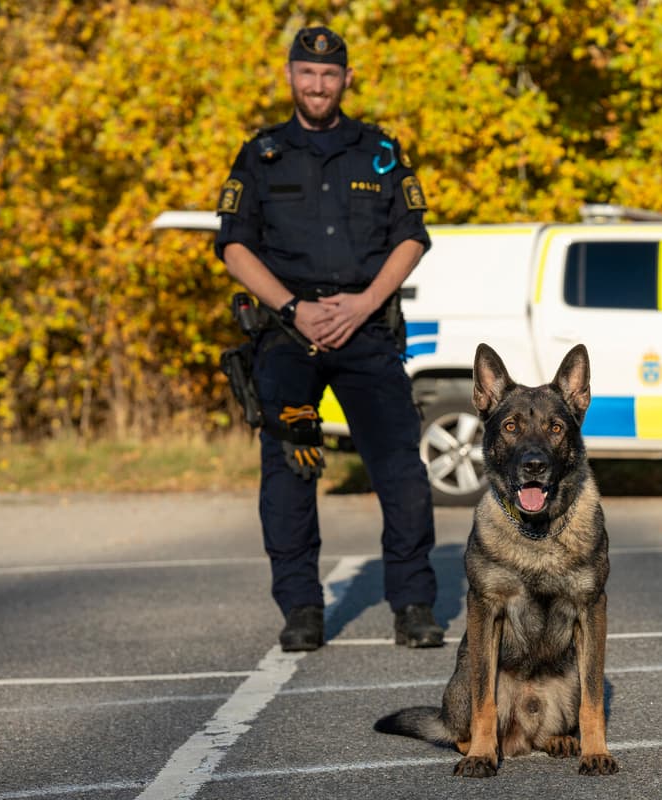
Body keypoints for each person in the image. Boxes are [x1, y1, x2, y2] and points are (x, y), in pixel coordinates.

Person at [214, 25, 443, 652]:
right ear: (290, 76)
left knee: (400, 471)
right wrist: (293, 306)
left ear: (346, 79)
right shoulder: (260, 155)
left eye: (330, 74)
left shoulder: (380, 152)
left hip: (365, 330)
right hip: (288, 336)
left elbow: (413, 236)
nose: (318, 85)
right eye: (307, 73)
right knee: (291, 472)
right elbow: (234, 246)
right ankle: (302, 611)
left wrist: (366, 302)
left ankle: (414, 604)